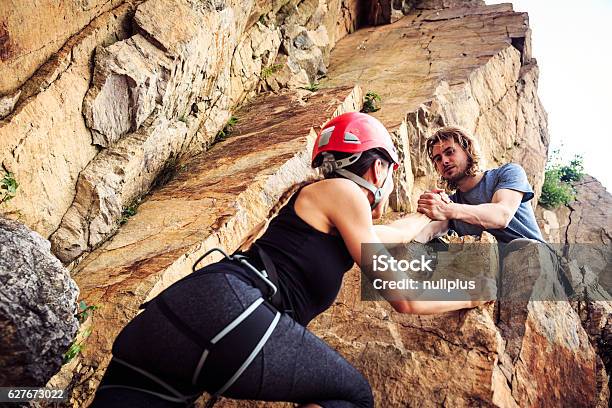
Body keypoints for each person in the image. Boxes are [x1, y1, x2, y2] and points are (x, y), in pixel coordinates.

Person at [90, 113, 487, 408]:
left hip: (167, 322)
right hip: (230, 311)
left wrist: (439, 213)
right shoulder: (344, 194)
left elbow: (395, 234)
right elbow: (404, 298)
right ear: (378, 165)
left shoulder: (324, 209)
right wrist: (474, 292)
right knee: (350, 396)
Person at [415, 126, 545, 245]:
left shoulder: (507, 173)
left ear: (468, 150)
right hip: (494, 267)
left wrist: (446, 209)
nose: (444, 161)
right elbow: (427, 232)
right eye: (438, 159)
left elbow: (501, 216)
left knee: (519, 246)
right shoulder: (451, 203)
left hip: (538, 259)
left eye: (450, 152)